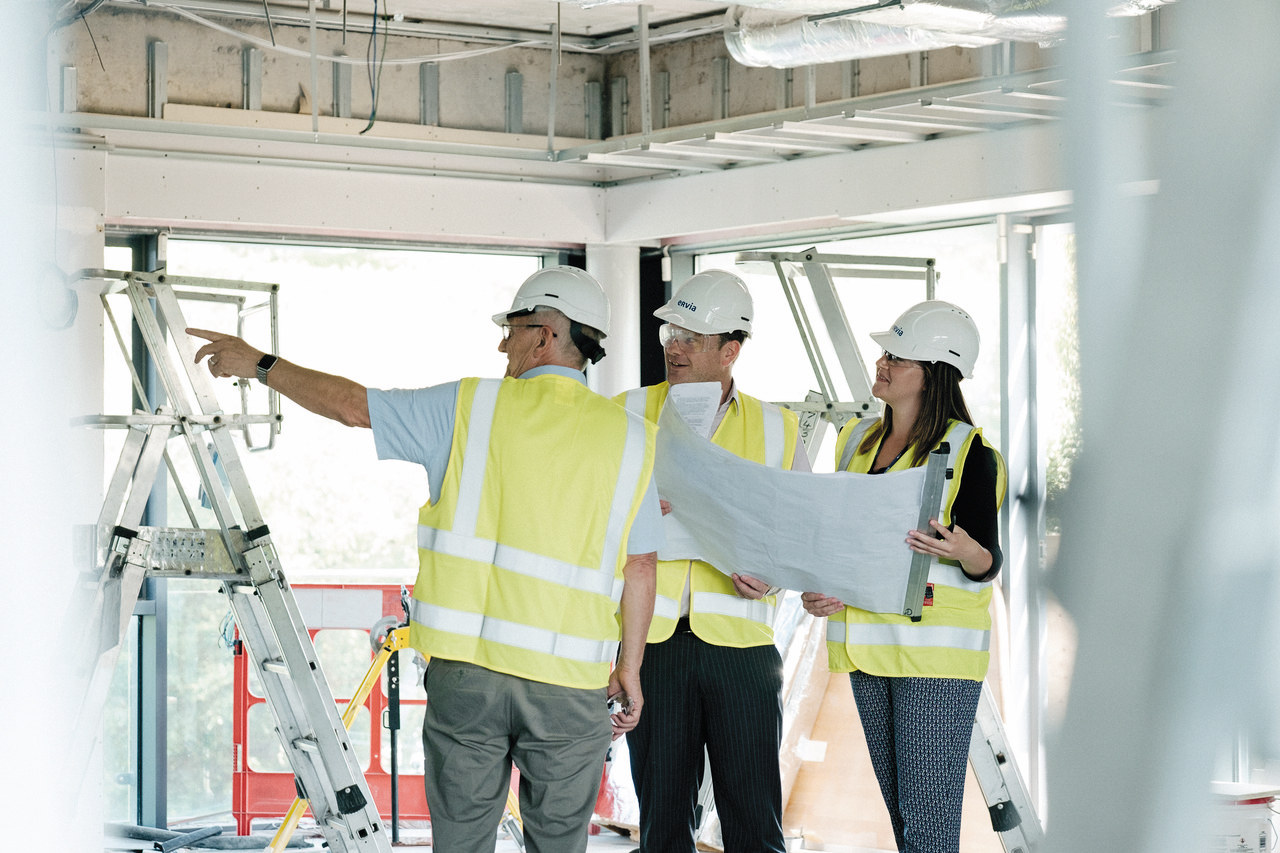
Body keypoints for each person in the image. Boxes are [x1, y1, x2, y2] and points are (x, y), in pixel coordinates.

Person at [188, 266, 662, 853]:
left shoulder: (470, 407)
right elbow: (641, 566)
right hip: (571, 689)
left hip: (468, 677)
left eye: (511, 330)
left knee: (460, 844)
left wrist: (261, 364)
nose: (501, 344)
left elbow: (352, 407)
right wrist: (630, 669)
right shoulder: (634, 439)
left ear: (544, 334)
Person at [802, 300, 1007, 853]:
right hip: (870, 650)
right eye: (886, 352)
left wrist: (967, 550)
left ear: (935, 374)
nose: (883, 364)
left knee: (929, 821)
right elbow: (841, 539)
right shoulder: (857, 442)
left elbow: (988, 563)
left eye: (900, 357)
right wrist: (823, 587)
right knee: (902, 813)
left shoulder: (969, 451)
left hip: (933, 661)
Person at [616, 269, 809, 853]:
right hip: (652, 642)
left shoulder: (777, 427)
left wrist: (773, 578)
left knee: (754, 820)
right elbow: (586, 515)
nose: (673, 347)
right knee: (663, 823)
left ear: (731, 350)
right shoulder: (625, 411)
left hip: (743, 649)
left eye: (690, 338)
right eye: (670, 333)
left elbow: (800, 529)